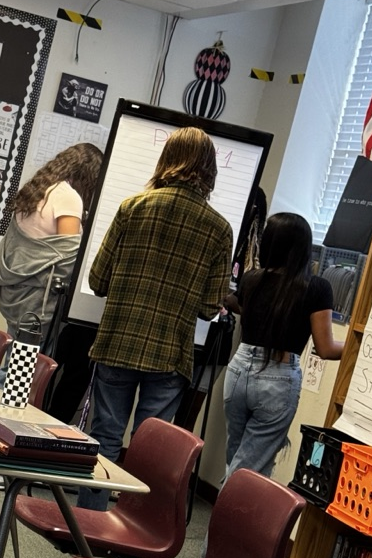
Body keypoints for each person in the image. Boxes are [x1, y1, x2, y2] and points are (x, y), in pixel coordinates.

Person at [78, 127, 232, 511]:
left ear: (166, 160)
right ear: (210, 169)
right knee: (149, 449)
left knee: (104, 437)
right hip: (170, 353)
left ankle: (87, 521)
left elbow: (97, 280)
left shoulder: (132, 207)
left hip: (117, 342)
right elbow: (209, 307)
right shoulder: (219, 229)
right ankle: (130, 527)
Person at [223, 212, 344, 479]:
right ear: (303, 248)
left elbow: (244, 307)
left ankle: (230, 502)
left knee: (236, 455)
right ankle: (230, 506)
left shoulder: (251, 279)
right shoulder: (316, 288)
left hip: (238, 370)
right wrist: (359, 348)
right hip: (277, 380)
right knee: (250, 468)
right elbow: (326, 348)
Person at [0, 143, 103, 351]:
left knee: (16, 359)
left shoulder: (37, 190)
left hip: (17, 293)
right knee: (29, 364)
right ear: (88, 176)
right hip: (38, 300)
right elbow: (70, 258)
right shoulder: (68, 197)